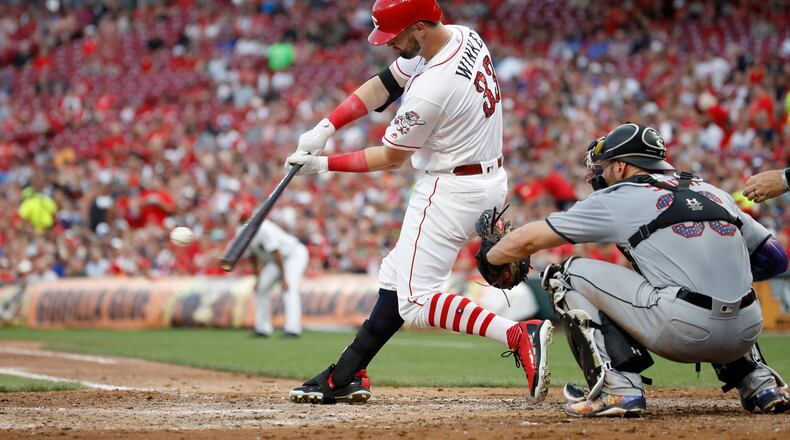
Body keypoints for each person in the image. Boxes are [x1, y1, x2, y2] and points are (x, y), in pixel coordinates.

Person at [283, 0, 552, 404]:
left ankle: (516, 333)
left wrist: (323, 164)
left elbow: (392, 157)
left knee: (415, 302)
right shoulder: (462, 35)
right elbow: (386, 83)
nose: (389, 45)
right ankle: (346, 373)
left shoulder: (433, 87)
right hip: (486, 178)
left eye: (395, 37)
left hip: (450, 189)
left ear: (420, 27)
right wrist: (327, 125)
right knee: (396, 277)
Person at [479, 123, 790, 417]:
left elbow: (532, 238)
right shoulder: (713, 192)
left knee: (565, 275)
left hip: (684, 330)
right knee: (723, 285)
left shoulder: (619, 197)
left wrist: (492, 258)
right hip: (747, 330)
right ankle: (761, 385)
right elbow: (776, 258)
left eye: (603, 166)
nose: (599, 174)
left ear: (621, 167)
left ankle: (619, 390)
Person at [247, 219, 308, 338]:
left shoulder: (264, 229)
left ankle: (293, 328)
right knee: (261, 288)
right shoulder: (243, 230)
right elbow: (252, 256)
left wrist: (283, 278)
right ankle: (262, 328)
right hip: (276, 261)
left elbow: (277, 252)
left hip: (293, 254)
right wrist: (257, 278)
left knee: (289, 287)